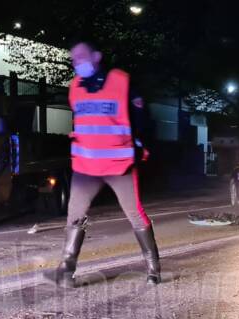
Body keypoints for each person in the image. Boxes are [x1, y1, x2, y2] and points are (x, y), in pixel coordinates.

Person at [47, 39, 161, 288]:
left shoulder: (121, 82)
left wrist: (141, 144)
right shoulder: (75, 86)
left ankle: (153, 268)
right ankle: (66, 271)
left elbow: (142, 117)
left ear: (97, 56)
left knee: (134, 213)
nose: (76, 62)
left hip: (118, 164)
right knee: (75, 216)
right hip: (85, 166)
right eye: (73, 58)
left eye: (81, 56)